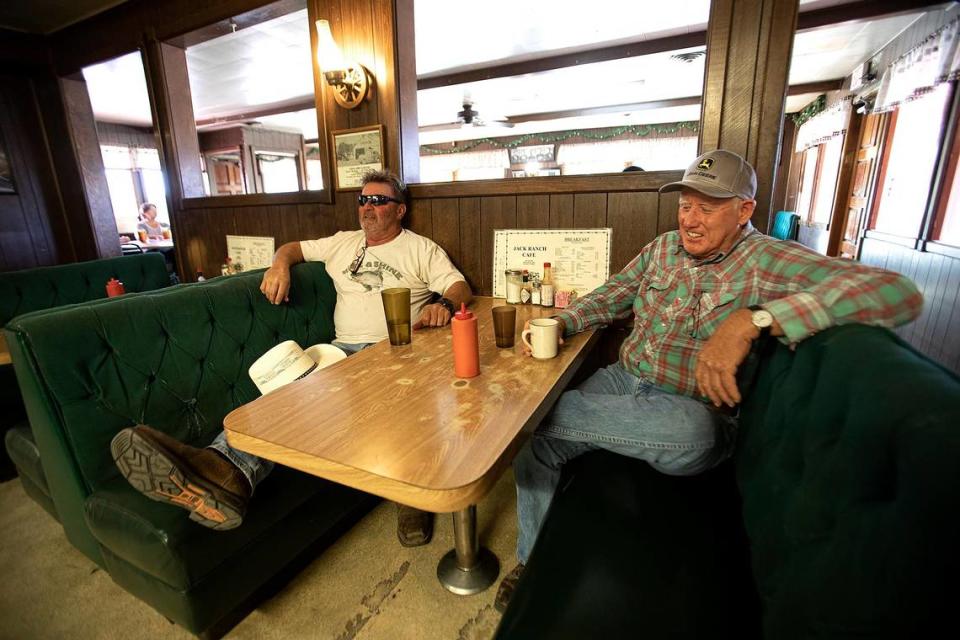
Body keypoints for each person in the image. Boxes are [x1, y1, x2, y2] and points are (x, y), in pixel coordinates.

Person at [492, 149, 923, 612]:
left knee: (694, 432)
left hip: (688, 410)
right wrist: (565, 321)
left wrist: (755, 318)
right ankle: (530, 559)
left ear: (744, 211)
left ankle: (520, 415)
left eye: (708, 206)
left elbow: (897, 292)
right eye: (685, 206)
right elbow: (614, 293)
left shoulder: (766, 260)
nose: (690, 220)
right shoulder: (662, 248)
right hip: (622, 381)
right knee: (535, 454)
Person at [111, 170, 472, 548]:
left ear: (400, 211)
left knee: (354, 401)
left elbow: (459, 286)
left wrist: (443, 304)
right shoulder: (341, 243)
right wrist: (279, 265)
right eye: (363, 200)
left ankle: (409, 495)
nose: (368, 207)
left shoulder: (420, 248)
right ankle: (222, 471)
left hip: (395, 352)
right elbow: (293, 248)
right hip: (340, 352)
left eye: (379, 200)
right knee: (286, 395)